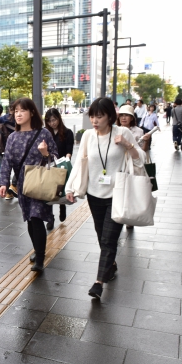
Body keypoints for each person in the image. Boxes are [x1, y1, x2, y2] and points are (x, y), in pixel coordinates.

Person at [65, 98, 144, 299]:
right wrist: (71, 187)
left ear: (110, 116)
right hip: (94, 194)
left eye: (99, 116)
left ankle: (99, 282)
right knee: (102, 235)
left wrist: (127, 145)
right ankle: (111, 263)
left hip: (117, 194)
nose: (94, 120)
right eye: (92, 116)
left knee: (109, 239)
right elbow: (79, 163)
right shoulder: (88, 136)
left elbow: (141, 159)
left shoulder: (122, 133)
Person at [0, 98, 58, 272]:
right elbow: (6, 162)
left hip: (40, 181)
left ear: (32, 112)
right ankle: (38, 249)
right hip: (23, 184)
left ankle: (40, 258)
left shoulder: (44, 133)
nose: (18, 114)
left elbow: (55, 158)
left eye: (22, 110)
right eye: (15, 111)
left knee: (36, 217)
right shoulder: (12, 137)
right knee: (30, 220)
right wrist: (3, 183)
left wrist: (45, 153)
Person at [44, 108, 73, 230]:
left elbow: (69, 150)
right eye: (49, 121)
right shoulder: (45, 133)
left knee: (60, 190)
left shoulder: (67, 132)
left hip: (62, 165)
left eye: (54, 119)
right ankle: (50, 218)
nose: (52, 123)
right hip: (49, 165)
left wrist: (66, 162)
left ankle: (62, 206)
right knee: (49, 193)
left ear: (59, 118)